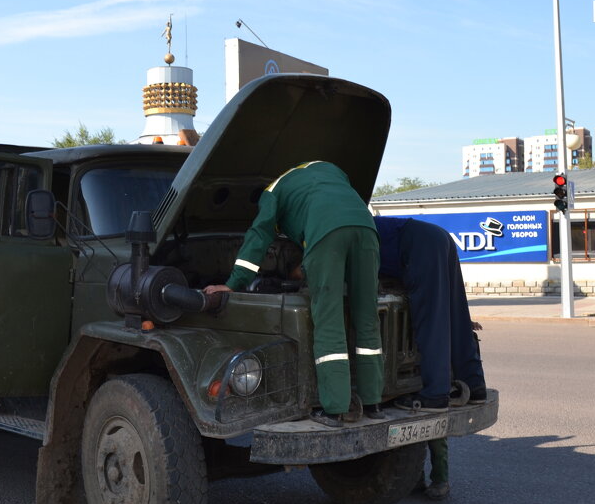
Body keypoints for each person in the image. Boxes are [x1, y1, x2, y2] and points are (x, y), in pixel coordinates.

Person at [205, 161, 383, 427]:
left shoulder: (272, 192)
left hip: (327, 231)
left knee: (328, 319)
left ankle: (334, 409)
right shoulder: (329, 169)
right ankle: (373, 402)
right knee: (367, 316)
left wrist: (234, 283)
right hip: (366, 227)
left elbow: (259, 235)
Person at [373, 216, 487, 412]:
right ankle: (474, 386)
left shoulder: (338, 234)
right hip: (437, 236)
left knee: (432, 320)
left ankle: (435, 395)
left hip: (418, 244)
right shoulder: (358, 220)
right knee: (455, 312)